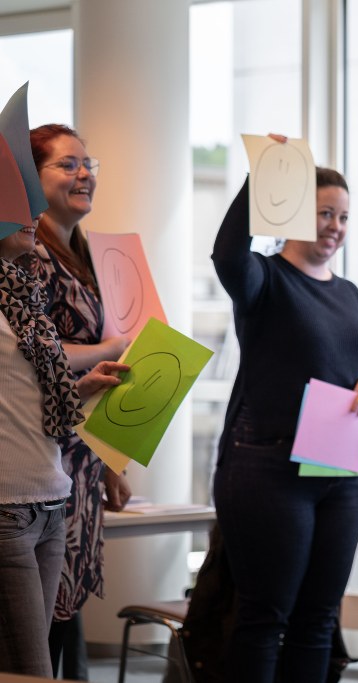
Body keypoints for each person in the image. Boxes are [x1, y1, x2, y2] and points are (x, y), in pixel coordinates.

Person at [211, 139, 358, 683]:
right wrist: (263, 177)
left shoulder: (351, 293)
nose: (335, 226)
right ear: (292, 215)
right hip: (267, 470)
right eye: (324, 214)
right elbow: (226, 254)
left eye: (343, 217)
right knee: (265, 618)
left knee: (318, 620)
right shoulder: (265, 280)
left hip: (340, 472)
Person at [15, 123, 132, 680]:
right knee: (38, 635)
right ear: (30, 181)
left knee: (62, 619)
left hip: (81, 461)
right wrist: (106, 348)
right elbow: (26, 353)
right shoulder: (27, 254)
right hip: (43, 460)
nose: (84, 174)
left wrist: (113, 457)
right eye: (67, 164)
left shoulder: (85, 252)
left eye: (89, 164)